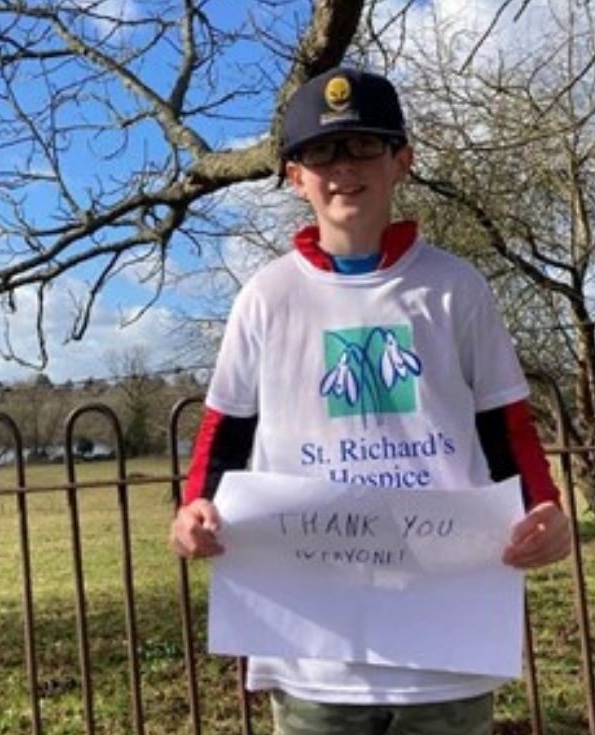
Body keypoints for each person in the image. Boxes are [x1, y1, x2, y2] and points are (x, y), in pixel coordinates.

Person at [169, 66, 571, 735]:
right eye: (319, 152)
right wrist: (192, 508)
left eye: (363, 146)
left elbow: (505, 425)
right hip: (312, 644)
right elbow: (225, 431)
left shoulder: (455, 287)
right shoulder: (266, 296)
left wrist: (544, 506)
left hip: (445, 631)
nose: (341, 168)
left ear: (401, 161)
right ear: (295, 176)